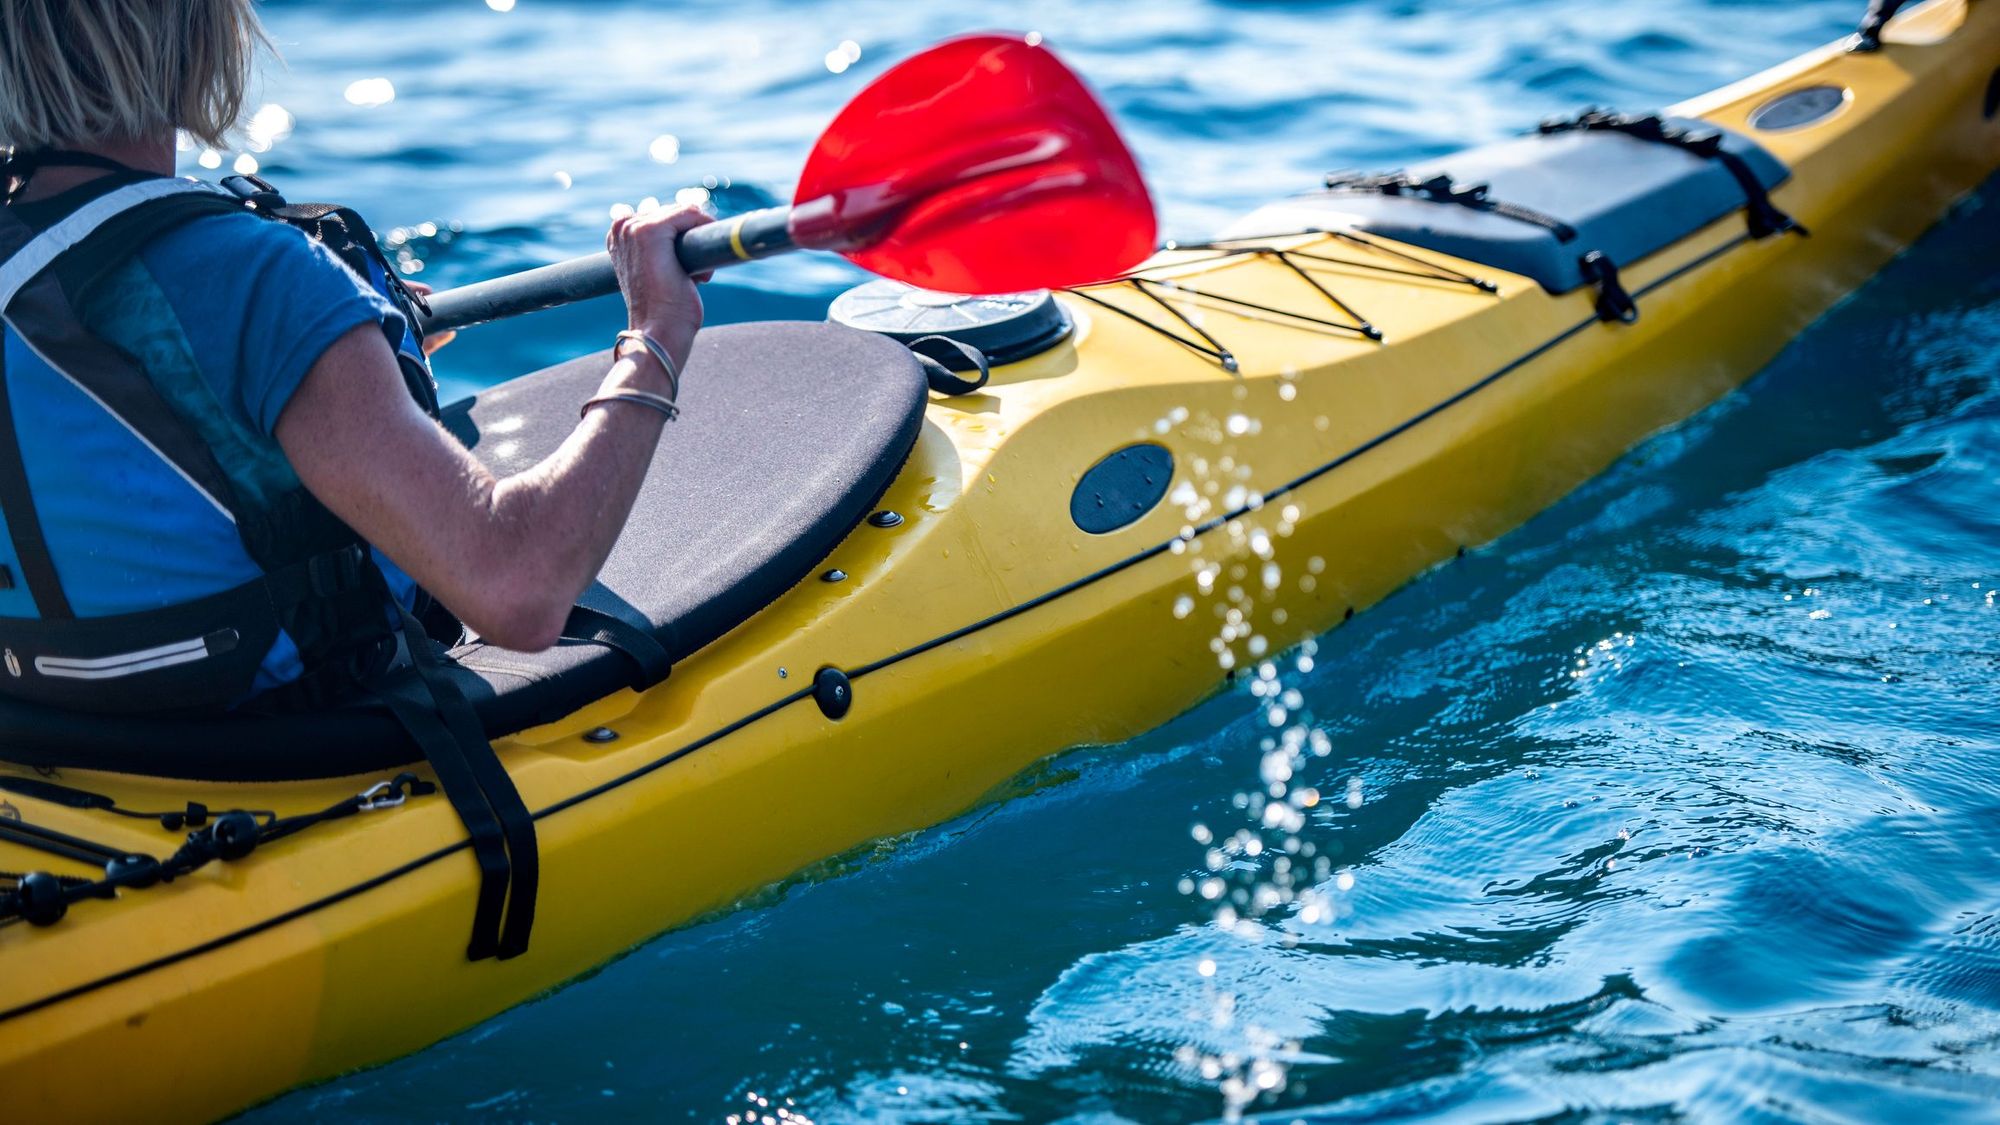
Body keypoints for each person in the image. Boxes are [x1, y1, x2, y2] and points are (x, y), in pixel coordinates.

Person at [0, 0, 712, 712]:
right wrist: (656, 331)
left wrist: (348, 359)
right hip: (285, 767)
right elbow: (517, 586)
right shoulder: (255, 279)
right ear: (187, 34)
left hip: (74, 765)